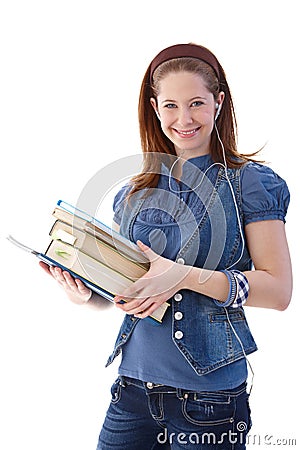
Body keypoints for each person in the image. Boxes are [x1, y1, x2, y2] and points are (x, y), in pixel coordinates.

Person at [40, 43, 292, 449]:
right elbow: (131, 290)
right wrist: (87, 295)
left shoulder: (252, 185)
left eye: (196, 103)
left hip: (209, 402)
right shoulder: (134, 193)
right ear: (156, 108)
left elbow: (278, 292)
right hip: (132, 391)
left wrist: (183, 276)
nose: (184, 119)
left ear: (219, 103)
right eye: (171, 105)